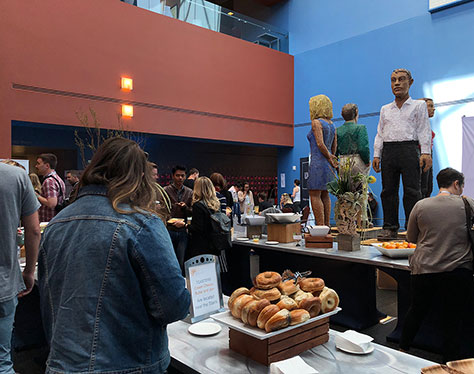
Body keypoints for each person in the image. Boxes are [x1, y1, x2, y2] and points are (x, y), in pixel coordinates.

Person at [38, 137, 190, 374]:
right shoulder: (143, 223)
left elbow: (49, 305)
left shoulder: (56, 225)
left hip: (62, 364)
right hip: (129, 365)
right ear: (139, 177)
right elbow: (173, 306)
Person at [400, 168, 474, 362]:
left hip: (424, 269)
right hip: (458, 271)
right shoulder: (467, 203)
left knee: (416, 311)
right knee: (453, 319)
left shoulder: (421, 205)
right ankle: (450, 362)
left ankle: (402, 350)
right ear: (456, 184)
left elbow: (411, 238)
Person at [373, 69, 432, 239]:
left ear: (410, 82)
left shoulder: (419, 106)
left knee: (412, 191)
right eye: (393, 80)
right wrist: (377, 154)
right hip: (389, 151)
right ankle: (390, 227)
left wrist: (426, 153)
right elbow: (380, 133)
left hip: (409, 149)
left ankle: (413, 228)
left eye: (401, 79)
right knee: (388, 191)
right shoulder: (385, 109)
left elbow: (423, 129)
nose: (397, 83)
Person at [0, 161, 41, 373]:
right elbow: (33, 230)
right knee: (2, 362)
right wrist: (29, 272)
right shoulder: (15, 176)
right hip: (3, 284)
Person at [336, 103, 371, 227]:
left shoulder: (337, 131)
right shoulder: (360, 128)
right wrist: (367, 161)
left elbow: (334, 151)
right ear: (356, 112)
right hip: (357, 160)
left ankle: (346, 220)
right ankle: (362, 220)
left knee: (346, 192)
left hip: (343, 161)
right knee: (362, 190)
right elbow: (363, 147)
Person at [307, 94, 338, 226]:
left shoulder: (316, 122)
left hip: (318, 162)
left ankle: (320, 227)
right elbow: (334, 145)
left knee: (314, 194)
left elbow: (320, 144)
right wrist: (331, 157)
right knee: (325, 194)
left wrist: (328, 156)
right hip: (328, 164)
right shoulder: (332, 124)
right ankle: (327, 226)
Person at [164, 165, 193, 271]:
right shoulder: (165, 190)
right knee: (168, 259)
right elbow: (161, 210)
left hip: (183, 230)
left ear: (185, 177)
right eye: (177, 175)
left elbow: (192, 213)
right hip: (169, 229)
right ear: (172, 176)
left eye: (182, 175)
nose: (180, 178)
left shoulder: (189, 192)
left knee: (181, 260)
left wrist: (185, 208)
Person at [35, 153, 66, 222]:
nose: (36, 166)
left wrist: (36, 195)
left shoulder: (49, 181)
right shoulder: (57, 178)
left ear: (47, 166)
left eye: (38, 164)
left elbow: (51, 203)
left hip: (49, 221)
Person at [419, 97, 436, 198]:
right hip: (421, 156)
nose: (433, 109)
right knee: (422, 188)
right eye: (430, 106)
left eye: (433, 106)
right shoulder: (416, 125)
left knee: (429, 187)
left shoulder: (427, 124)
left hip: (429, 154)